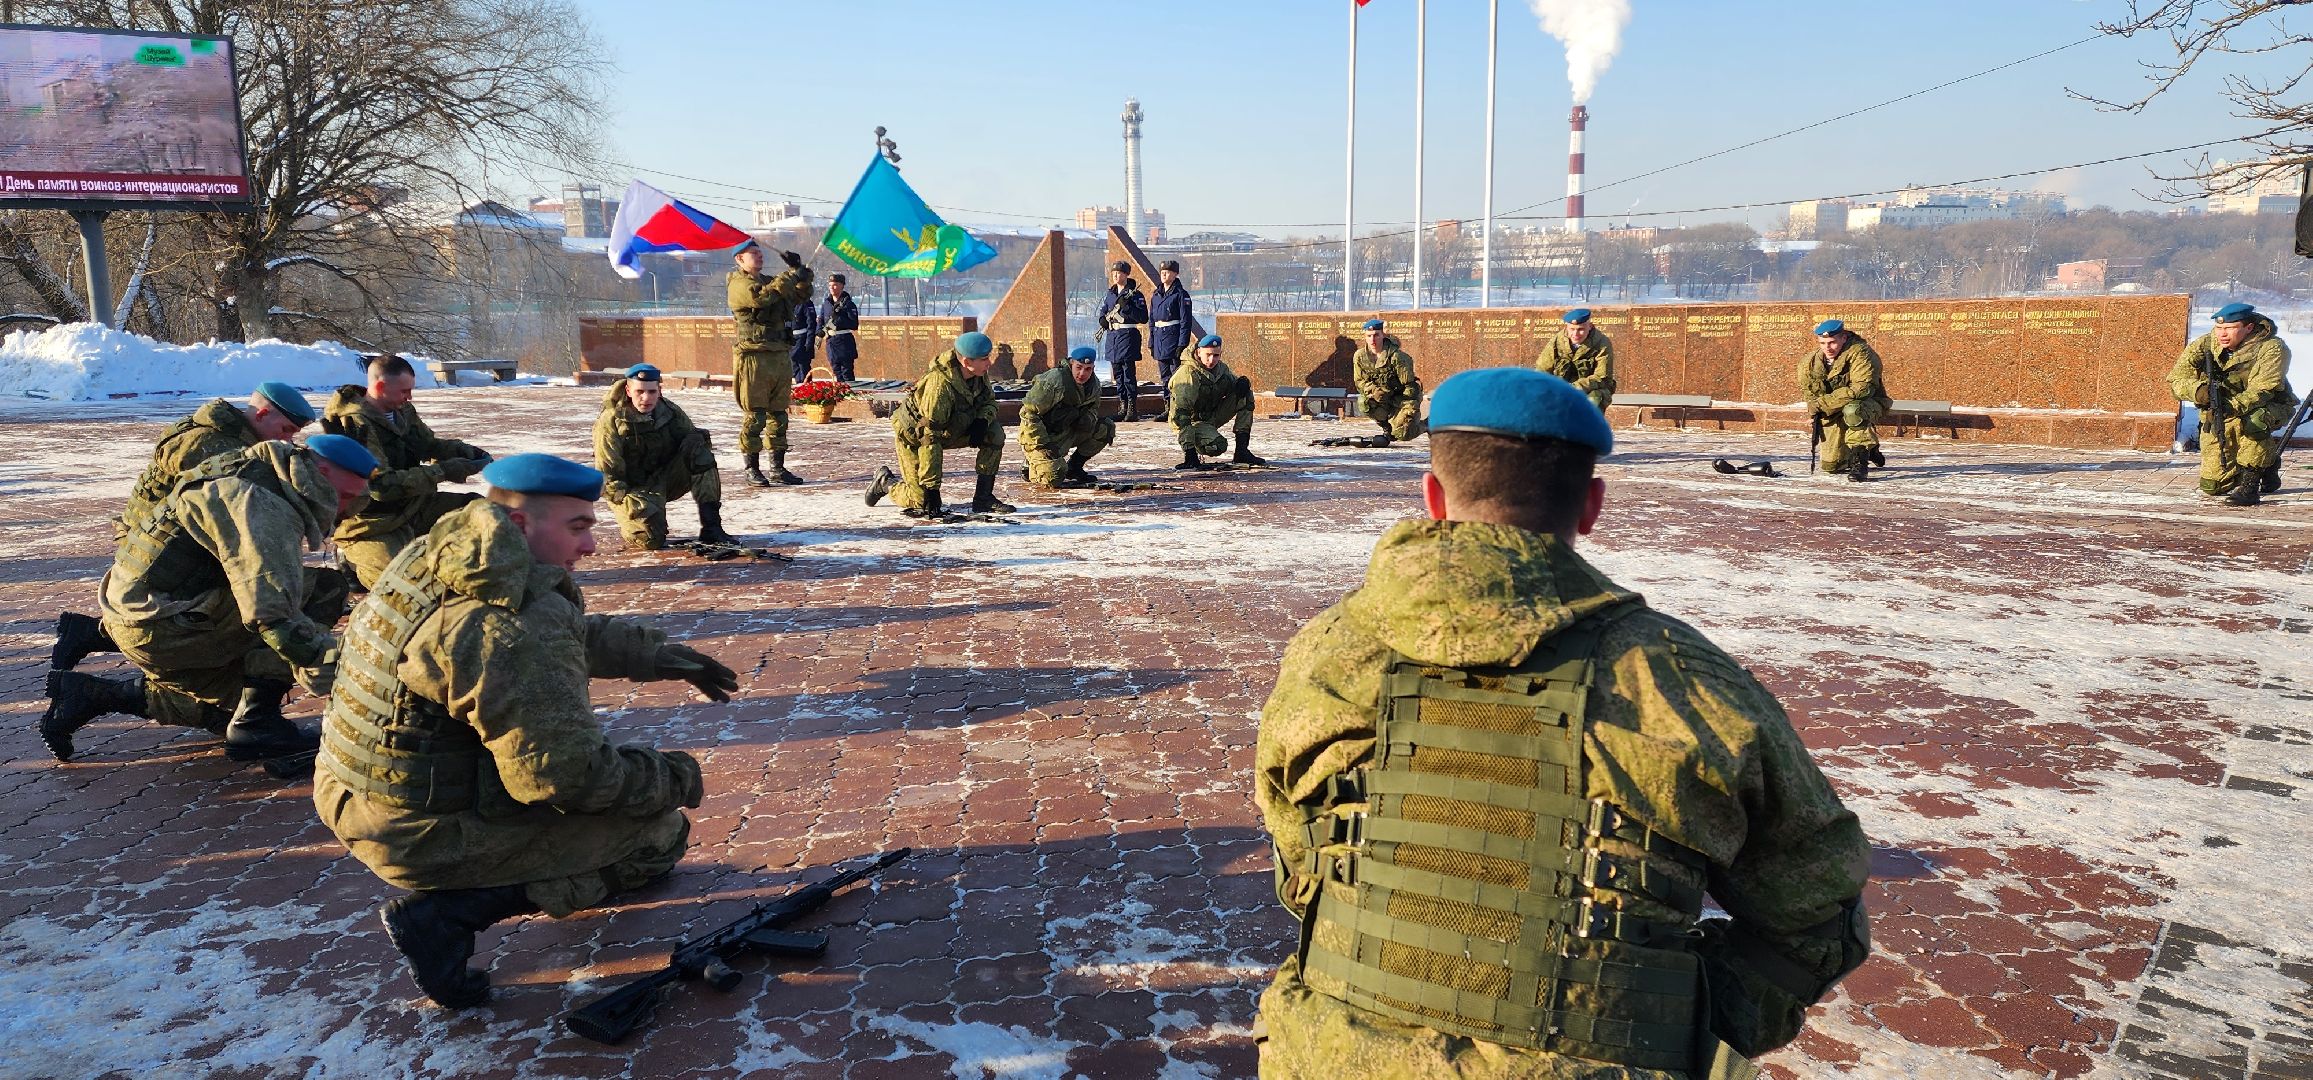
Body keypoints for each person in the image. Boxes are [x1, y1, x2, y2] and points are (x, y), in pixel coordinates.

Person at [1254, 367, 1871, 1080]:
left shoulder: (1328, 653)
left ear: (1432, 496)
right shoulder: (1684, 680)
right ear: (1591, 506)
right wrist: (1670, 1014)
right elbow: (1816, 916)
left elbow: (1301, 863)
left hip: (1329, 1055)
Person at [312, 453, 738, 1009]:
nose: (590, 546)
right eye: (578, 527)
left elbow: (563, 631)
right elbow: (563, 777)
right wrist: (673, 778)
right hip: (414, 828)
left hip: (354, 789)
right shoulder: (505, 626)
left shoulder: (442, 554)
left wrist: (656, 656)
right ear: (518, 524)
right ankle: (444, 917)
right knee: (658, 834)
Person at [39, 436, 378, 763]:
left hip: (147, 615)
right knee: (324, 588)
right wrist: (347, 679)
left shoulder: (259, 470)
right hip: (166, 623)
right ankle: (258, 724)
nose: (343, 510)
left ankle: (90, 694)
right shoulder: (260, 502)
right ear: (321, 474)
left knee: (233, 709)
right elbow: (272, 614)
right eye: (344, 496)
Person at [52, 381, 319, 672]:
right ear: (262, 414)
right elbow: (237, 502)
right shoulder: (209, 443)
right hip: (156, 545)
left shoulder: (234, 437)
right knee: (228, 603)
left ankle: (86, 634)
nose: (289, 441)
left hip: (174, 539)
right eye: (286, 431)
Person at [324, 354, 493, 588]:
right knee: (400, 582)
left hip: (412, 504)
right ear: (381, 386)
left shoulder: (402, 411)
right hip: (373, 520)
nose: (409, 397)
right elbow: (380, 487)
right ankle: (350, 557)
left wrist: (461, 451)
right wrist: (442, 471)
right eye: (404, 391)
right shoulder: (355, 423)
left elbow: (426, 444)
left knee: (481, 511)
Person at [865, 331, 1014, 517]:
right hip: (915, 438)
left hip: (950, 429)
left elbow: (989, 401)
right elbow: (929, 436)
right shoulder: (939, 385)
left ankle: (983, 498)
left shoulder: (978, 373)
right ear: (967, 362)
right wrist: (931, 487)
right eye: (984, 359)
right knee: (921, 500)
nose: (989, 363)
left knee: (994, 433)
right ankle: (886, 483)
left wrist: (982, 420)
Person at [2169, 302, 2299, 507]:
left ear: (2248, 327)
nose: (2222, 334)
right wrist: (2198, 391)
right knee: (2212, 486)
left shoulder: (2272, 347)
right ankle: (2269, 462)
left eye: (2230, 328)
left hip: (2270, 405)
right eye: (2219, 328)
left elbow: (2264, 389)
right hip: (2221, 410)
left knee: (2253, 422)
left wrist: (2229, 406)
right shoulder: (2205, 345)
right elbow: (2176, 379)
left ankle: (2250, 485)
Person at [593, 364, 736, 549]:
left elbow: (693, 440)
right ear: (628, 391)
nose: (646, 398)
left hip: (665, 479)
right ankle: (645, 520)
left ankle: (712, 528)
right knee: (649, 540)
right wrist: (631, 505)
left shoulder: (669, 411)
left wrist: (696, 439)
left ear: (659, 390)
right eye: (639, 392)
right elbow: (607, 474)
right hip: (631, 489)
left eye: (652, 391)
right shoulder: (610, 421)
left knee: (700, 455)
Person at [727, 243, 815, 486]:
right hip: (754, 356)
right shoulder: (738, 284)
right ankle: (751, 468)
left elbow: (798, 296)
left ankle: (777, 467)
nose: (759, 256)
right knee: (755, 414)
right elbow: (762, 298)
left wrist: (802, 274)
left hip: (778, 353)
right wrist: (789, 276)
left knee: (779, 414)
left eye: (760, 253)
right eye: (753, 254)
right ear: (739, 259)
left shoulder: (769, 280)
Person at [1799, 319, 1891, 482]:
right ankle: (1872, 449)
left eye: (1832, 342)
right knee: (1831, 466)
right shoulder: (1811, 362)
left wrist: (1822, 405)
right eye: (1823, 343)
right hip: (1832, 409)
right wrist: (1815, 413)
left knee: (1852, 410)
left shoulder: (1862, 353)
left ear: (1844, 337)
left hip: (1868, 404)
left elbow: (1862, 389)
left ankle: (1860, 462)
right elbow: (1810, 393)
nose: (1827, 347)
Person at [1019, 346, 1114, 490]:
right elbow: (1028, 413)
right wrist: (1042, 443)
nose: (1082, 373)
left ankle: (1074, 468)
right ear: (1071, 363)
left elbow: (1094, 408)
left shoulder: (1093, 385)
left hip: (1068, 430)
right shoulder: (1055, 380)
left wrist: (1087, 419)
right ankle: (1030, 465)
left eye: (1088, 369)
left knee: (1105, 428)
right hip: (1042, 437)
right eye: (1079, 367)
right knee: (1054, 478)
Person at [1168, 334, 1265, 469]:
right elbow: (1181, 416)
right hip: (1191, 422)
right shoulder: (1187, 374)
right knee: (1217, 446)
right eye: (1208, 354)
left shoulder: (1221, 369)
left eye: (1216, 355)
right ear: (1198, 351)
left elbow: (1233, 385)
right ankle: (1194, 448)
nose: (1212, 359)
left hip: (1211, 416)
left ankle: (1242, 452)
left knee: (1244, 393)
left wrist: (1242, 383)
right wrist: (1190, 455)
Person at [1349, 318, 1425, 444]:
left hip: (1402, 399)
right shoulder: (1360, 356)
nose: (1372, 340)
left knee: (1402, 435)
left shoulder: (1397, 357)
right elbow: (1359, 381)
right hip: (1380, 398)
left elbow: (1410, 387)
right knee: (1364, 402)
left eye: (1376, 335)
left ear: (1383, 335)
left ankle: (1426, 425)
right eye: (1369, 336)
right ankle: (1387, 427)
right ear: (1365, 337)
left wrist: (1398, 401)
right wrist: (1373, 391)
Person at [1538, 307, 1616, 413]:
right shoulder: (1557, 342)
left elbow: (1601, 377)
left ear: (1590, 326)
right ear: (1566, 328)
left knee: (1595, 398)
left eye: (1580, 329)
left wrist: (1574, 388)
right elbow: (1542, 370)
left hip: (1590, 389)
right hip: (1561, 388)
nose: (1575, 334)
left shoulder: (1602, 343)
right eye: (1572, 329)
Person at [1099, 261, 1149, 422]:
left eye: (1119, 273)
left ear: (1126, 275)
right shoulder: (1111, 293)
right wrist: (1102, 320)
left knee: (1128, 374)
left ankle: (1132, 408)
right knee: (1118, 374)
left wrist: (1126, 307)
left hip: (1127, 335)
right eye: (1113, 273)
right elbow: (1104, 310)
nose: (1115, 275)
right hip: (1113, 337)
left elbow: (1143, 317)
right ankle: (1122, 407)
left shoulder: (1135, 294)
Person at [1149, 259, 1194, 402]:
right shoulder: (1156, 294)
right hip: (1159, 339)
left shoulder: (1181, 294)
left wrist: (1182, 343)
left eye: (1167, 272)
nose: (1163, 275)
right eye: (1162, 272)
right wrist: (1152, 342)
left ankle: (1178, 406)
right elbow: (1152, 320)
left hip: (1173, 339)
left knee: (1176, 375)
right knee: (1164, 376)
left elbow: (1185, 321)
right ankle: (1168, 405)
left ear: (1175, 274)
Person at [820, 273, 861, 383]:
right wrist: (819, 332)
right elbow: (821, 320)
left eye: (835, 285)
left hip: (844, 341)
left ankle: (849, 396)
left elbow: (854, 324)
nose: (832, 288)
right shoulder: (826, 303)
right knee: (836, 372)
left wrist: (838, 320)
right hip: (831, 341)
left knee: (846, 373)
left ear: (842, 286)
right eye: (830, 285)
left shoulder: (848, 304)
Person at [788, 276, 825, 385]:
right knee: (794, 368)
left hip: (802, 340)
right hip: (792, 341)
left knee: (803, 368)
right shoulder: (790, 303)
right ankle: (800, 391)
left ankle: (806, 391)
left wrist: (808, 342)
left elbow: (811, 324)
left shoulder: (806, 303)